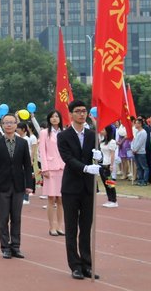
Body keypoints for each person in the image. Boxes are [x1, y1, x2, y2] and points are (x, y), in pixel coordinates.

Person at [57, 99, 100, 280]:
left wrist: (100, 158)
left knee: (86, 227)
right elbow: (68, 158)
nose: (82, 114)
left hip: (89, 187)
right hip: (71, 188)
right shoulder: (64, 136)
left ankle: (87, 265)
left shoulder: (92, 135)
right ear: (71, 114)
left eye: (84, 111)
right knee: (72, 228)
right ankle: (75, 266)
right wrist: (85, 167)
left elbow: (97, 159)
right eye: (78, 111)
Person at [0, 113, 34, 260]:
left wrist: (29, 184)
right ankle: (5, 247)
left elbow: (27, 165)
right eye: (6, 122)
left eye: (11, 122)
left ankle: (15, 246)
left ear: (16, 124)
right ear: (2, 125)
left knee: (17, 217)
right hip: (2, 186)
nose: (8, 125)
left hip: (19, 186)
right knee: (3, 218)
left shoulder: (22, 143)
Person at [38, 110, 65, 235]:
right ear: (49, 119)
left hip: (63, 168)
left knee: (61, 199)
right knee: (51, 198)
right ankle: (51, 227)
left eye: (57, 116)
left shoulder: (63, 132)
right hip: (50, 168)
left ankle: (60, 226)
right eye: (52, 117)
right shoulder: (44, 133)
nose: (54, 118)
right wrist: (45, 169)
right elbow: (42, 151)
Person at [99, 125, 118, 208]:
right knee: (105, 184)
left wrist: (111, 165)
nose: (101, 131)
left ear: (108, 131)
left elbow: (112, 154)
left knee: (110, 183)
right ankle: (109, 199)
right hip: (102, 164)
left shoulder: (112, 142)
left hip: (108, 164)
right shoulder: (103, 141)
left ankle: (114, 200)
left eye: (103, 129)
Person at [130, 118, 149, 186]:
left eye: (137, 123)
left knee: (144, 167)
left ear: (140, 124)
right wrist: (132, 148)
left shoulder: (143, 132)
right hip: (136, 152)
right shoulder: (137, 132)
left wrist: (135, 149)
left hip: (141, 152)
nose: (135, 124)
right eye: (135, 123)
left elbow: (140, 143)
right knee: (138, 167)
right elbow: (134, 141)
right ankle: (140, 180)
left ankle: (145, 181)